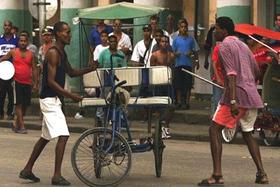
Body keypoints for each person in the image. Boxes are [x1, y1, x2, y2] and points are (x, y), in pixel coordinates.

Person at [19, 21, 97, 185]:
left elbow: (72, 72)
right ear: (58, 34)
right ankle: (56, 175)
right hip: (49, 100)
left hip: (53, 100)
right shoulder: (54, 52)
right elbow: (51, 82)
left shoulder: (62, 52)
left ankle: (27, 170)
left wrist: (90, 68)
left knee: (45, 138)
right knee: (63, 135)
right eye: (66, 32)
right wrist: (71, 95)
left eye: (69, 32)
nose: (69, 35)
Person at [198, 17, 268, 186]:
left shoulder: (224, 47)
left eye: (217, 29)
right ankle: (262, 174)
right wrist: (249, 83)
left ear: (225, 31)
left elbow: (231, 75)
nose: (214, 32)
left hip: (237, 97)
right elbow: (257, 71)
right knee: (247, 133)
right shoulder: (244, 45)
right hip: (252, 96)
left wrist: (234, 100)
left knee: (214, 130)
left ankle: (217, 175)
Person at [0, 32, 38, 134]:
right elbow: (2, 60)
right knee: (18, 104)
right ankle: (22, 126)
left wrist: (35, 83)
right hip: (16, 82)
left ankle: (16, 124)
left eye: (25, 41)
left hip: (27, 82)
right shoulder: (13, 52)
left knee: (25, 105)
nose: (23, 43)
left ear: (27, 42)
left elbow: (34, 69)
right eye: (21, 41)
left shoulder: (31, 55)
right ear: (18, 42)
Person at [150, 35, 175, 138]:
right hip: (158, 83)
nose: (164, 43)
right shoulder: (155, 55)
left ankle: (166, 126)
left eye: (166, 42)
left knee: (171, 106)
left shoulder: (171, 56)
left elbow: (172, 68)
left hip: (168, 83)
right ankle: (158, 126)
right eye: (162, 41)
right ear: (159, 43)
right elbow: (152, 69)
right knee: (158, 106)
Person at [172, 18, 199, 110]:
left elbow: (195, 51)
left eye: (185, 27)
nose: (183, 28)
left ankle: (187, 102)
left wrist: (194, 57)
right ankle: (179, 101)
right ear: (179, 28)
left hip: (188, 64)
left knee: (188, 84)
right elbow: (172, 53)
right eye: (182, 27)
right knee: (178, 84)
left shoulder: (191, 39)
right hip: (178, 64)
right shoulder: (175, 40)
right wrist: (176, 54)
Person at [0, 20, 19, 120]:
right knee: (1, 92)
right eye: (5, 25)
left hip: (13, 70)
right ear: (3, 27)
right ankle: (0, 113)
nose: (7, 27)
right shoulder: (0, 39)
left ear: (11, 27)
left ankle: (10, 112)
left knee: (11, 93)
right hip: (1, 70)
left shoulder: (16, 40)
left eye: (9, 26)